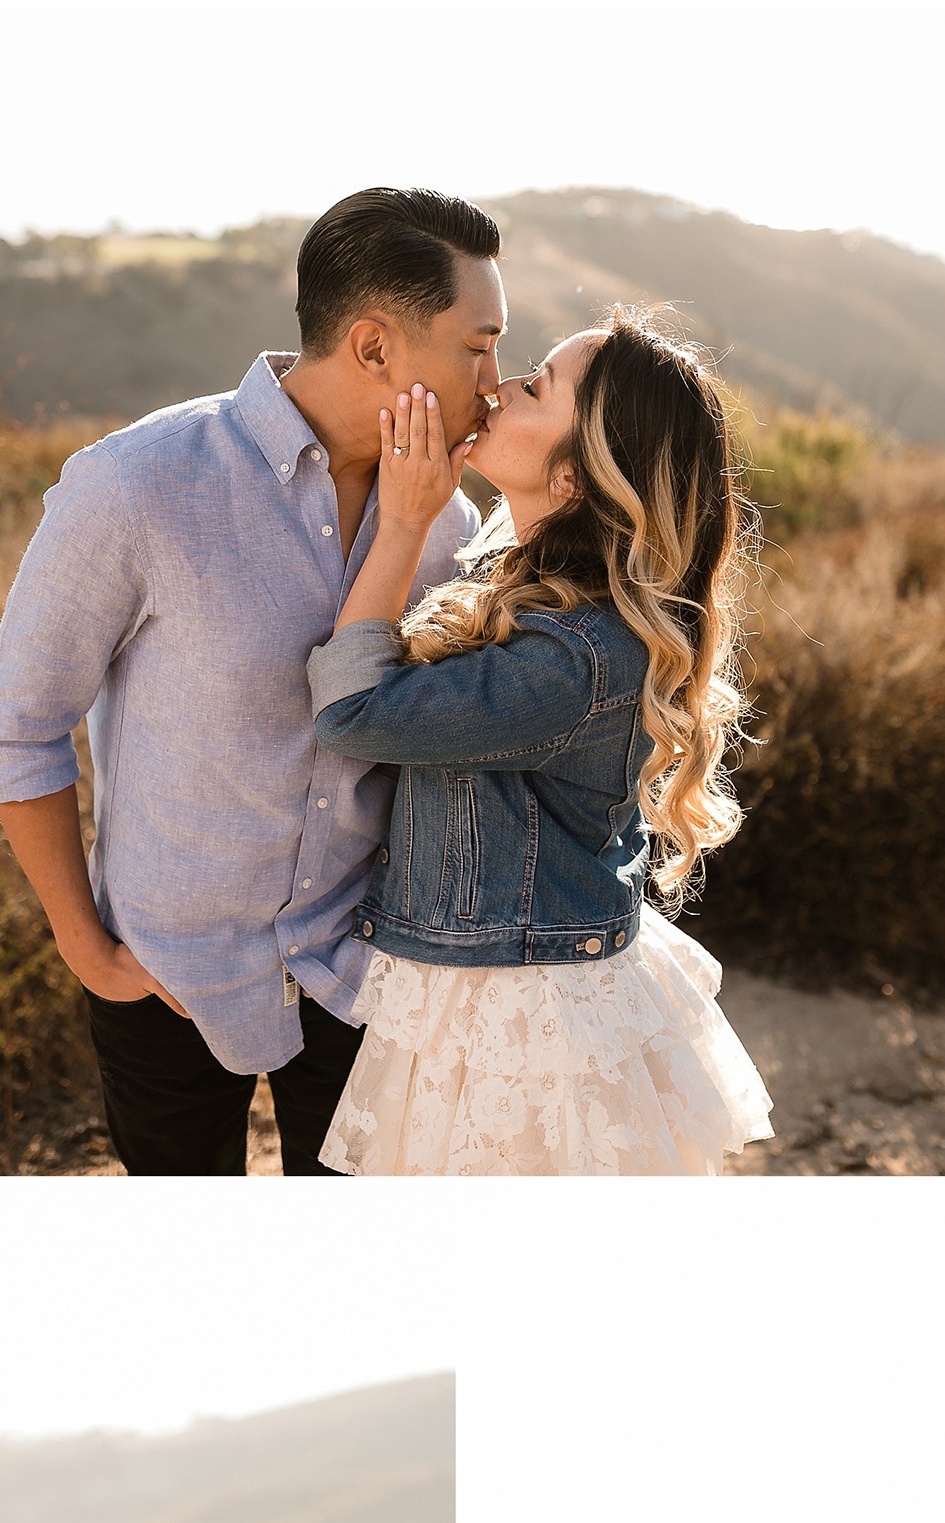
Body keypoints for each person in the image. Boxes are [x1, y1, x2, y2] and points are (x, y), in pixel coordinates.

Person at [0, 186, 501, 1174]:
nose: (495, 379)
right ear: (376, 347)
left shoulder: (450, 524)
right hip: (162, 976)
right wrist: (90, 952)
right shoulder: (138, 483)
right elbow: (18, 725)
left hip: (361, 974)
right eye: (477, 346)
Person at [306, 305, 774, 1173]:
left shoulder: (573, 657)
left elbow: (354, 713)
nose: (498, 385)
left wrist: (405, 523)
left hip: (525, 1016)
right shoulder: (518, 579)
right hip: (492, 979)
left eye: (536, 386)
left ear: (574, 478)